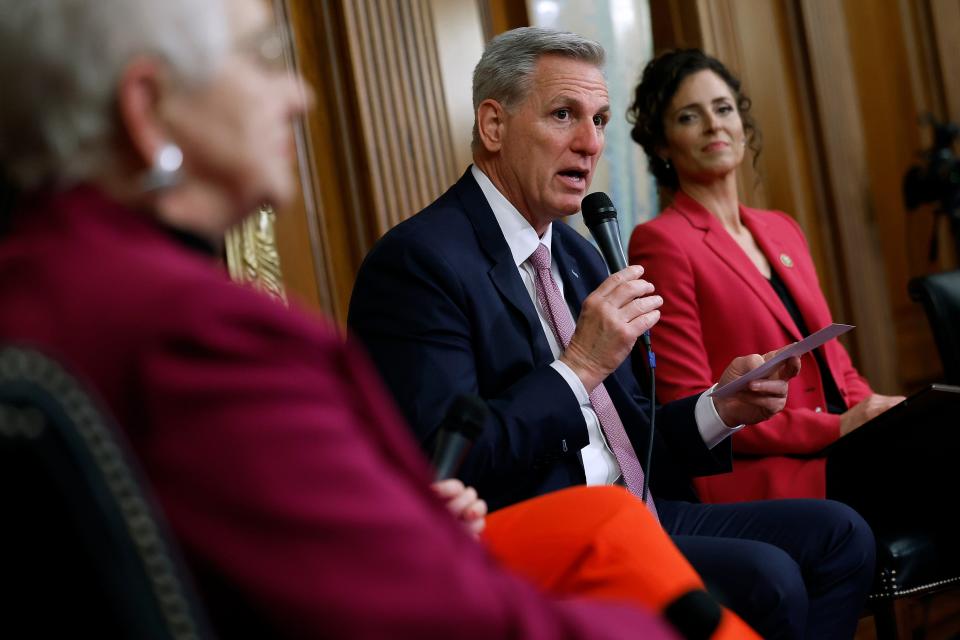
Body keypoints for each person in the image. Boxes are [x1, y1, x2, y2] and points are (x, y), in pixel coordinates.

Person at [0, 2, 727, 638]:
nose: (299, 94)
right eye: (262, 59)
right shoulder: (204, 339)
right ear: (147, 107)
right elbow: (429, 614)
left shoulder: (34, 287)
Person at [349, 26, 876, 640]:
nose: (589, 143)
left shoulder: (578, 254)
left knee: (842, 536)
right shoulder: (420, 262)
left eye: (599, 120)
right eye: (564, 115)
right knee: (769, 576)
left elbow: (629, 431)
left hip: (643, 513)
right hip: (550, 539)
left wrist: (718, 408)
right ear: (493, 126)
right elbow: (442, 461)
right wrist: (577, 369)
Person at [625, 49, 919, 515]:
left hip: (840, 448)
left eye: (723, 109)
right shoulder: (660, 242)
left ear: (742, 124)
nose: (714, 125)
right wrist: (838, 429)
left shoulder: (781, 227)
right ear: (662, 144)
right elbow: (690, 404)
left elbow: (835, 364)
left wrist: (877, 414)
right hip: (765, 475)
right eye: (688, 116)